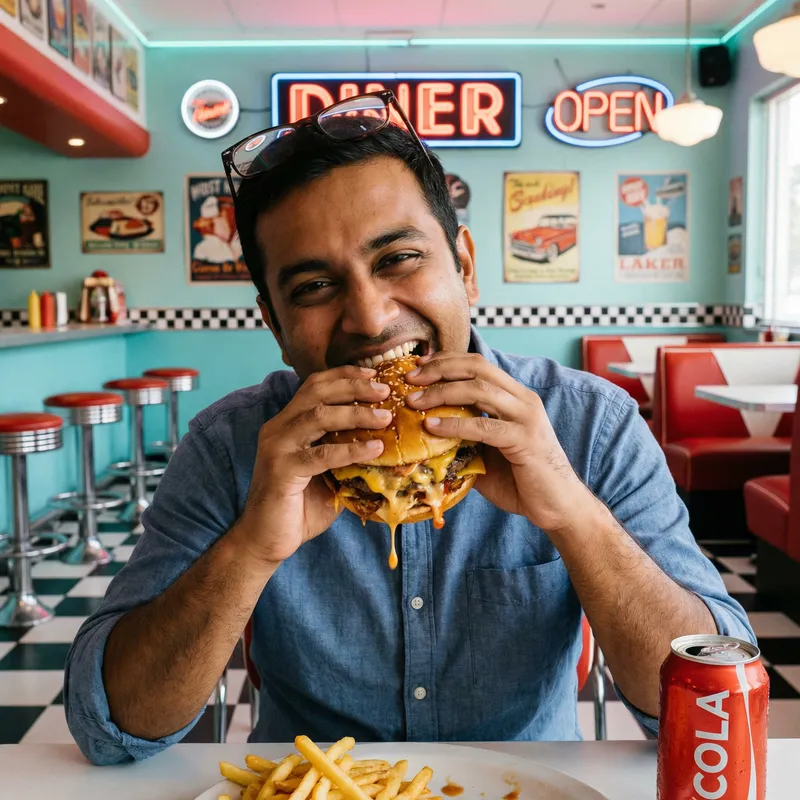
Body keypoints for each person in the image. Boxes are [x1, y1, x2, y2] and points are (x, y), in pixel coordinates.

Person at [64, 93, 753, 765]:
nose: (367, 318)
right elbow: (110, 729)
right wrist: (249, 549)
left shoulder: (588, 423)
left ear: (466, 267)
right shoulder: (231, 447)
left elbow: (713, 700)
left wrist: (574, 515)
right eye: (312, 287)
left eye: (398, 259)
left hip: (527, 788)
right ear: (274, 325)